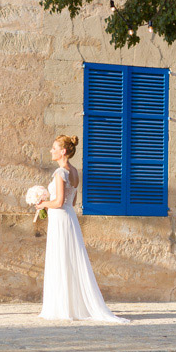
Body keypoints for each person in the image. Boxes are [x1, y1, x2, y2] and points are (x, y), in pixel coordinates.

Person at [35, 135, 128, 323]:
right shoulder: (75, 171)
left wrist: (42, 203)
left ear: (63, 151)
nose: (51, 150)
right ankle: (72, 305)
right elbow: (73, 201)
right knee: (70, 258)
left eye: (54, 148)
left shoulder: (60, 172)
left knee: (61, 258)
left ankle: (62, 307)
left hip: (61, 219)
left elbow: (59, 201)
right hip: (69, 217)